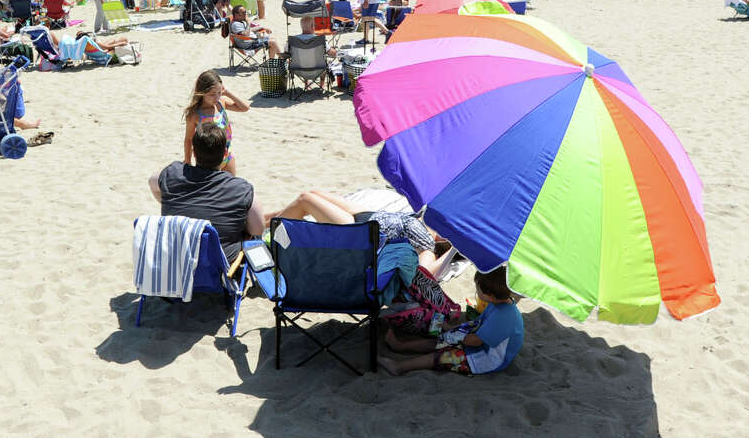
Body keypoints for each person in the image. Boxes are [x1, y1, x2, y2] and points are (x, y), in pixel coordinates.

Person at [263, 188, 452, 276]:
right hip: (365, 215)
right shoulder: (420, 218)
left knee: (306, 200)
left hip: (357, 232)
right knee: (313, 194)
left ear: (443, 237)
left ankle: (272, 240)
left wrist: (454, 250)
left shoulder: (427, 245)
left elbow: (426, 273)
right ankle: (266, 221)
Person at [148, 123, 263, 263]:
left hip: (175, 266)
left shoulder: (173, 174)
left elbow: (152, 182)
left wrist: (168, 200)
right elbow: (258, 229)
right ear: (225, 154)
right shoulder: (241, 188)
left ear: (194, 153)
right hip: (218, 275)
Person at [378, 266, 524, 377]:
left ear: (490, 295)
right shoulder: (499, 302)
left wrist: (455, 339)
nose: (477, 291)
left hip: (487, 357)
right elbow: (480, 324)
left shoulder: (503, 317)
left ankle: (399, 367)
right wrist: (452, 335)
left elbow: (476, 341)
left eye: (478, 289)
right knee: (441, 340)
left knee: (442, 355)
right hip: (480, 337)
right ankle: (401, 346)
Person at [182, 69, 249, 176]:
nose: (217, 97)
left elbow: (244, 108)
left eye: (219, 92)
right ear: (202, 92)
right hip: (207, 161)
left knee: (230, 187)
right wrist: (187, 160)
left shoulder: (221, 104)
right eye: (212, 94)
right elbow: (188, 139)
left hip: (227, 154)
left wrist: (228, 93)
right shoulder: (195, 115)